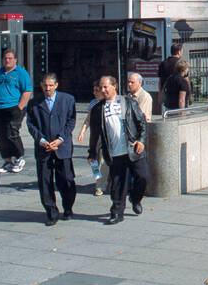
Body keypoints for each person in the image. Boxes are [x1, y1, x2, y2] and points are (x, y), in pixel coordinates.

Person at [86, 76, 147, 223]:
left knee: (143, 177)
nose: (103, 90)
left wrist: (141, 141)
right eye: (101, 87)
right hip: (114, 152)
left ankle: (135, 198)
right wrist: (92, 152)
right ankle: (117, 212)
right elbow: (94, 134)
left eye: (106, 87)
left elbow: (142, 123)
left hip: (132, 149)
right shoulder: (97, 109)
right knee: (118, 184)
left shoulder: (128, 102)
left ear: (115, 86)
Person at [26, 73, 77, 226]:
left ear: (56, 85)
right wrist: (41, 141)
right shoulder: (34, 103)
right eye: (44, 85)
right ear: (41, 85)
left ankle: (68, 207)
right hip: (44, 148)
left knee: (66, 179)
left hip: (62, 146)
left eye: (50, 85)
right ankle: (51, 212)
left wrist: (60, 139)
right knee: (45, 181)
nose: (47, 88)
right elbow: (31, 124)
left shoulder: (67, 100)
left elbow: (71, 121)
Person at [0, 48, 32, 174]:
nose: (7, 60)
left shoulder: (21, 73)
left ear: (15, 60)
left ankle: (19, 157)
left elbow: (27, 91)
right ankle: (7, 161)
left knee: (11, 133)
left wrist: (19, 108)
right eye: (5, 58)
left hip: (13, 107)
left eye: (10, 58)